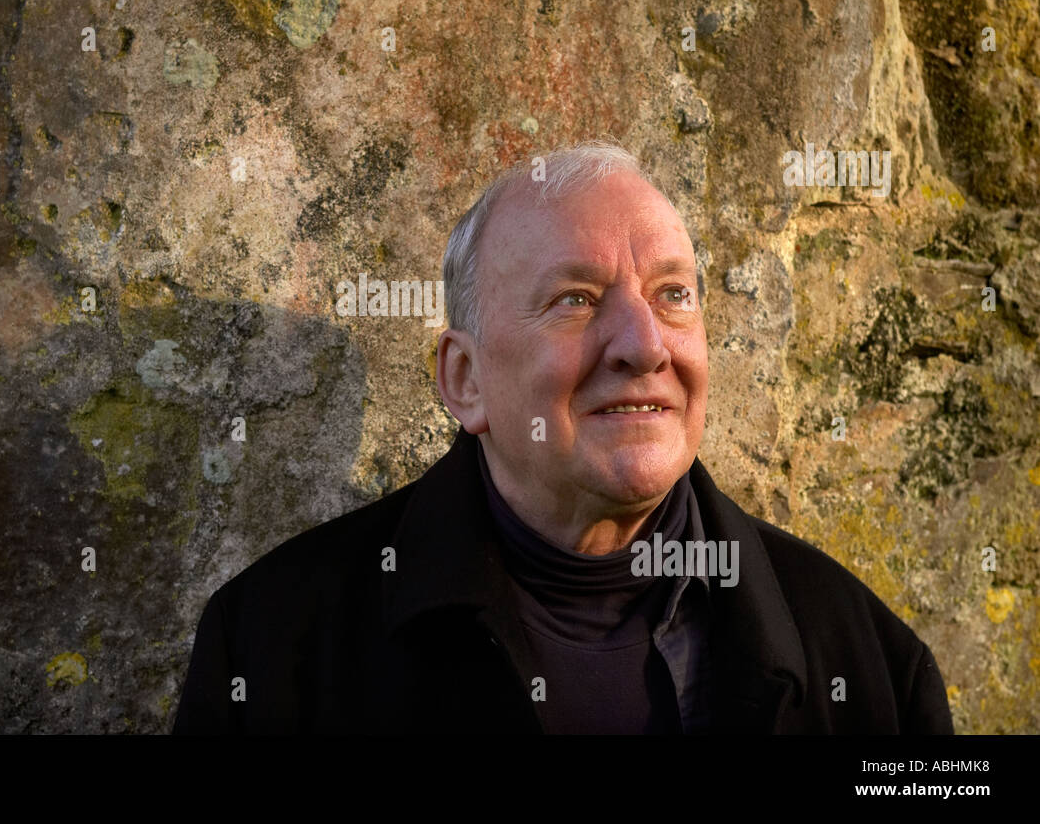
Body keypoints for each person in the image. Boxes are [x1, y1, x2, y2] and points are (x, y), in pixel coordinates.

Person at [172, 140, 954, 734]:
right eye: (576, 300)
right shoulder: (274, 649)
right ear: (464, 380)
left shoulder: (870, 664)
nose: (644, 346)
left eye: (673, 295)